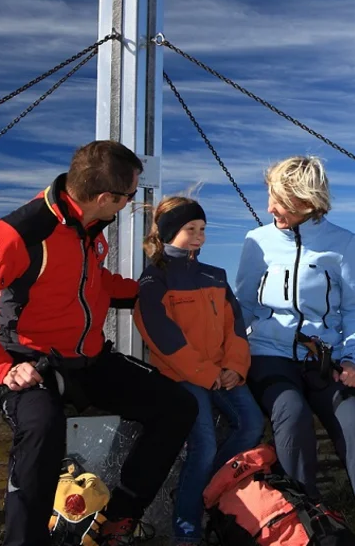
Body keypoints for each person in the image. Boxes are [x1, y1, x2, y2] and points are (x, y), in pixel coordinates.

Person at [0, 140, 195, 546]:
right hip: (28, 359)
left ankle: (116, 521)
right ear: (107, 197)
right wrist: (1, 367)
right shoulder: (21, 232)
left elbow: (89, 284)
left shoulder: (89, 226)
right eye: (129, 197)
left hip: (89, 359)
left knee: (177, 406)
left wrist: (152, 292)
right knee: (41, 431)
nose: (128, 205)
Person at [237, 155, 355, 546]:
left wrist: (353, 359)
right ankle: (307, 533)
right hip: (268, 354)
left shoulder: (344, 244)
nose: (270, 208)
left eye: (280, 200)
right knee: (291, 414)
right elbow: (243, 305)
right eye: (270, 196)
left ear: (308, 201)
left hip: (324, 359)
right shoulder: (257, 242)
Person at [133, 196, 267, 545]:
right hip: (181, 376)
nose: (199, 237)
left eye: (203, 229)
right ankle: (187, 527)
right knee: (204, 444)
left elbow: (235, 329)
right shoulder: (154, 279)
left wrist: (235, 368)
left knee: (252, 424)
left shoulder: (215, 275)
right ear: (167, 233)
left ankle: (202, 491)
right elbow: (164, 339)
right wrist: (209, 375)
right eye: (190, 229)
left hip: (222, 372)